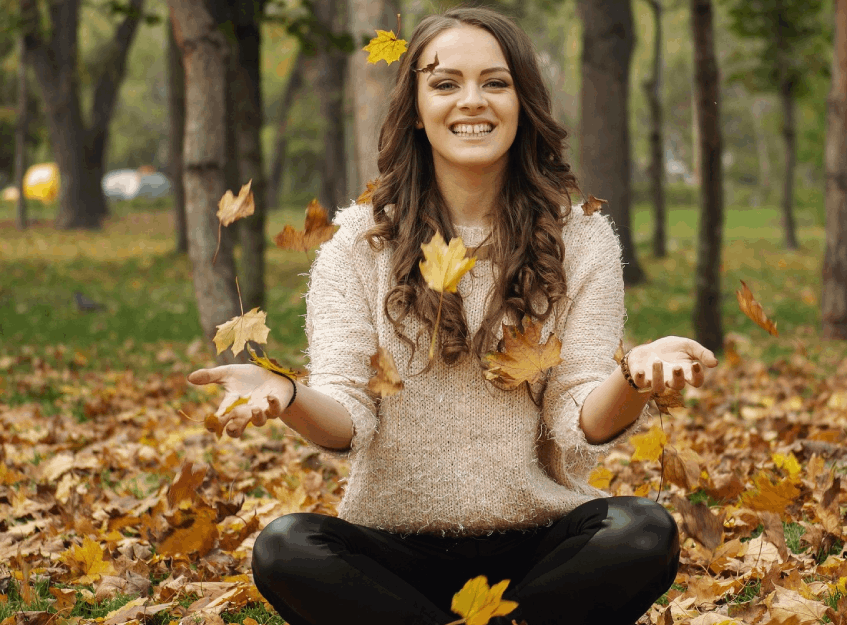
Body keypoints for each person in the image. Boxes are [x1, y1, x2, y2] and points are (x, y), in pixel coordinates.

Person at [187, 6, 718, 625]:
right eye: (445, 83)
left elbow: (579, 418)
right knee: (285, 548)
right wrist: (287, 390)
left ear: (523, 102)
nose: (473, 101)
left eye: (495, 82)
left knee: (643, 530)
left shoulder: (582, 239)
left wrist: (633, 375)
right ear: (416, 107)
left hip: (538, 552)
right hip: (392, 554)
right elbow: (346, 417)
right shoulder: (358, 245)